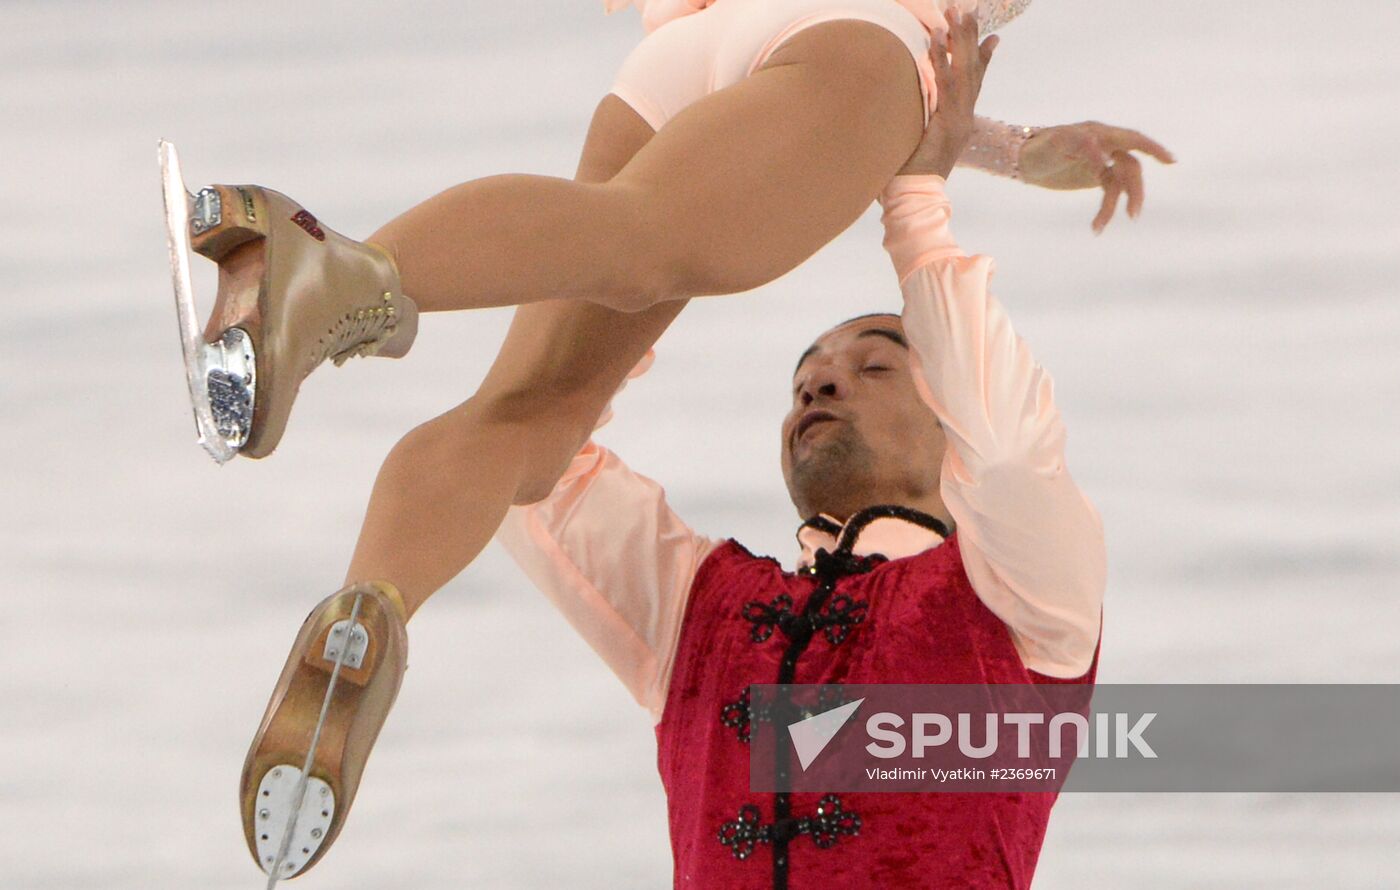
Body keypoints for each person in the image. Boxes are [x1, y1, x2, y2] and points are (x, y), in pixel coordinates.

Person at [227, 1, 1167, 881]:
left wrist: (999, 146)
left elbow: (537, 495)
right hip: (857, 49)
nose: (821, 382)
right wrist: (919, 200)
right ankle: (335, 272)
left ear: (944, 415)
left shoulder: (711, 616)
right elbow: (1003, 445)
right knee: (642, 243)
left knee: (525, 423)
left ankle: (374, 599)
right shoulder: (1017, 616)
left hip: (684, 60)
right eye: (811, 379)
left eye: (872, 366)